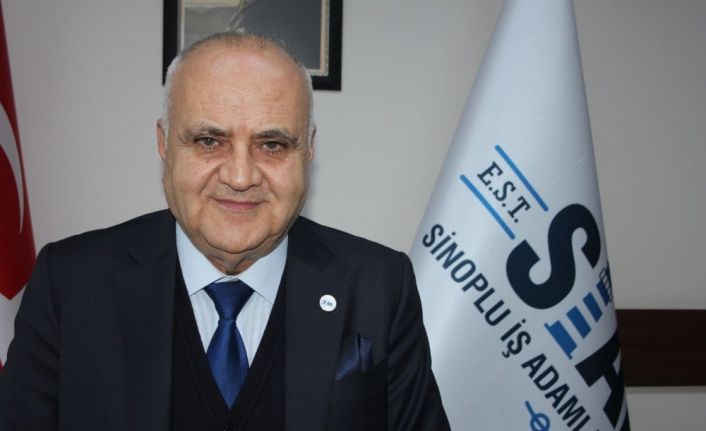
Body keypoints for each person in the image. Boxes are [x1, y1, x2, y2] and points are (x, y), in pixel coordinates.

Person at [0, 33, 449, 430]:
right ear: (164, 143)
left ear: (308, 150)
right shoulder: (70, 283)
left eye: (272, 145)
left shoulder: (379, 287)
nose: (240, 177)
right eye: (208, 141)